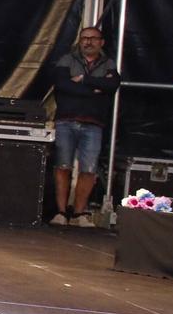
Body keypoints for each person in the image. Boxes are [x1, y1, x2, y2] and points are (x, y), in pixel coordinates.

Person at [50, 25, 120, 227]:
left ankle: (79, 213)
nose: (88, 42)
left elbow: (112, 86)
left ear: (101, 42)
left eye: (92, 38)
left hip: (93, 123)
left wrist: (83, 79)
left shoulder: (108, 64)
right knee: (63, 165)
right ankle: (61, 211)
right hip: (66, 120)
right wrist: (95, 88)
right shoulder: (67, 60)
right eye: (84, 38)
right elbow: (62, 85)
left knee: (88, 169)